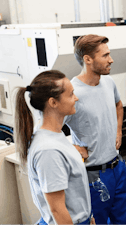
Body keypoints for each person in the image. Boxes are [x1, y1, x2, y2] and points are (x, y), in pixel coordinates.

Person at [64, 34, 126, 224]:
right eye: (105, 55)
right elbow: (49, 130)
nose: (111, 59)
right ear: (88, 59)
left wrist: (118, 131)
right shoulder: (72, 92)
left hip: (118, 168)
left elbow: (119, 105)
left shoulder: (108, 82)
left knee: (123, 220)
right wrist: (72, 148)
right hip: (94, 176)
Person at [15, 70, 95, 225]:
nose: (76, 98)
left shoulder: (55, 135)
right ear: (53, 102)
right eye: (71, 94)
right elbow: (57, 210)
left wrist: (88, 215)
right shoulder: (48, 150)